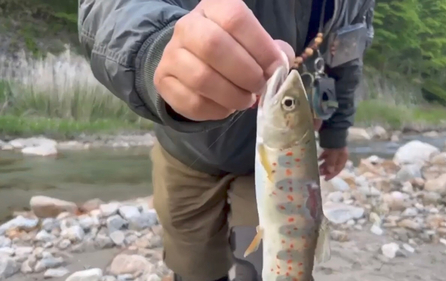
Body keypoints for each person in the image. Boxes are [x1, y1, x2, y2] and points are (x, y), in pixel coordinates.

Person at [77, 0, 375, 280]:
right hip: (186, 150)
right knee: (194, 268)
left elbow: (347, 61)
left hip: (274, 167)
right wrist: (155, 49)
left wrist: (336, 135)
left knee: (261, 265)